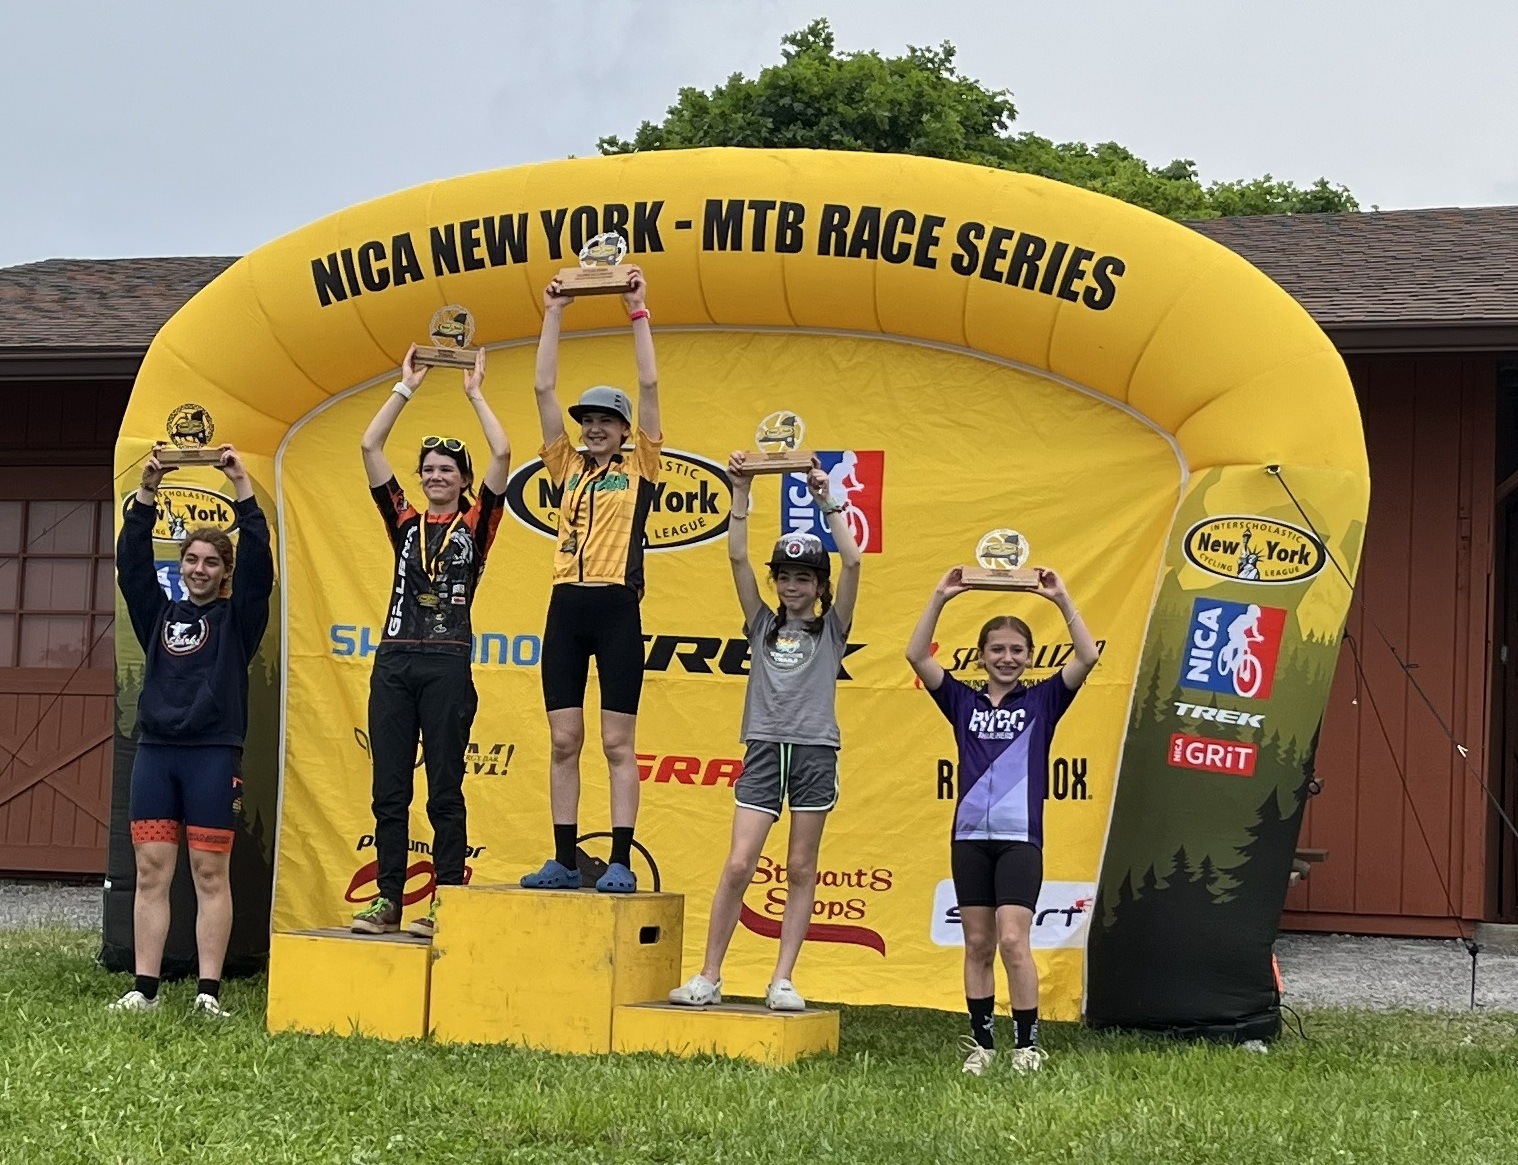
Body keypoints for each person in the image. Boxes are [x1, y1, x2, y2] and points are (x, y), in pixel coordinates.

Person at [668, 454, 862, 1011]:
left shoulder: (833, 629)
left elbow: (852, 562)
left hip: (815, 751)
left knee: (800, 867)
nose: (793, 585)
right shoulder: (760, 622)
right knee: (738, 864)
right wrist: (739, 491)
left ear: (818, 586)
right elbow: (736, 556)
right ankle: (709, 975)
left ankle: (782, 979)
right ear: (775, 581)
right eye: (785, 576)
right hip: (763, 748)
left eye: (804, 578)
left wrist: (827, 499)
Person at [905, 566, 1098, 1075]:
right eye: (997, 650)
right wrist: (940, 596)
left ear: (1029, 656)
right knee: (977, 944)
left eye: (1016, 650)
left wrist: (1061, 599)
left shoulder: (1043, 699)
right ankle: (982, 1045)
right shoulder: (962, 700)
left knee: (1013, 941)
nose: (1007, 658)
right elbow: (917, 656)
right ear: (981, 656)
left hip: (1019, 840)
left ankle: (1027, 1047)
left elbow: (1087, 656)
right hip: (969, 838)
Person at [349, 346, 510, 937]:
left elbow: (503, 453)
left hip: (446, 664)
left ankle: (446, 901)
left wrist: (475, 393)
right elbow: (370, 447)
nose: (436, 476)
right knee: (389, 790)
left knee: (445, 788)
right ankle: (388, 900)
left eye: (448, 469)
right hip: (394, 660)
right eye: (429, 469)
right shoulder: (404, 523)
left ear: (464, 481)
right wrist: (406, 387)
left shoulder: (476, 524)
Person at [110, 443, 273, 1016]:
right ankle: (144, 989)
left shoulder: (238, 619)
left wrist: (242, 486)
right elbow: (132, 564)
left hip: (212, 755)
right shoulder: (158, 615)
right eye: (191, 560)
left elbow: (259, 565)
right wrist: (147, 491)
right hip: (157, 753)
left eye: (210, 562)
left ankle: (208, 994)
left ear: (224, 573)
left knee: (209, 872)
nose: (199, 569)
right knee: (151, 872)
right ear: (180, 567)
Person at [519, 267, 661, 894]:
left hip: (616, 609)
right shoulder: (566, 466)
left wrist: (637, 310)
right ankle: (564, 859)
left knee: (617, 742)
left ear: (626, 429)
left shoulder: (642, 465)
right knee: (563, 740)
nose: (595, 427)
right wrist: (554, 311)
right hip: (566, 609)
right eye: (589, 419)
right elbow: (542, 386)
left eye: (607, 419)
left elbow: (649, 383)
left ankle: (621, 860)